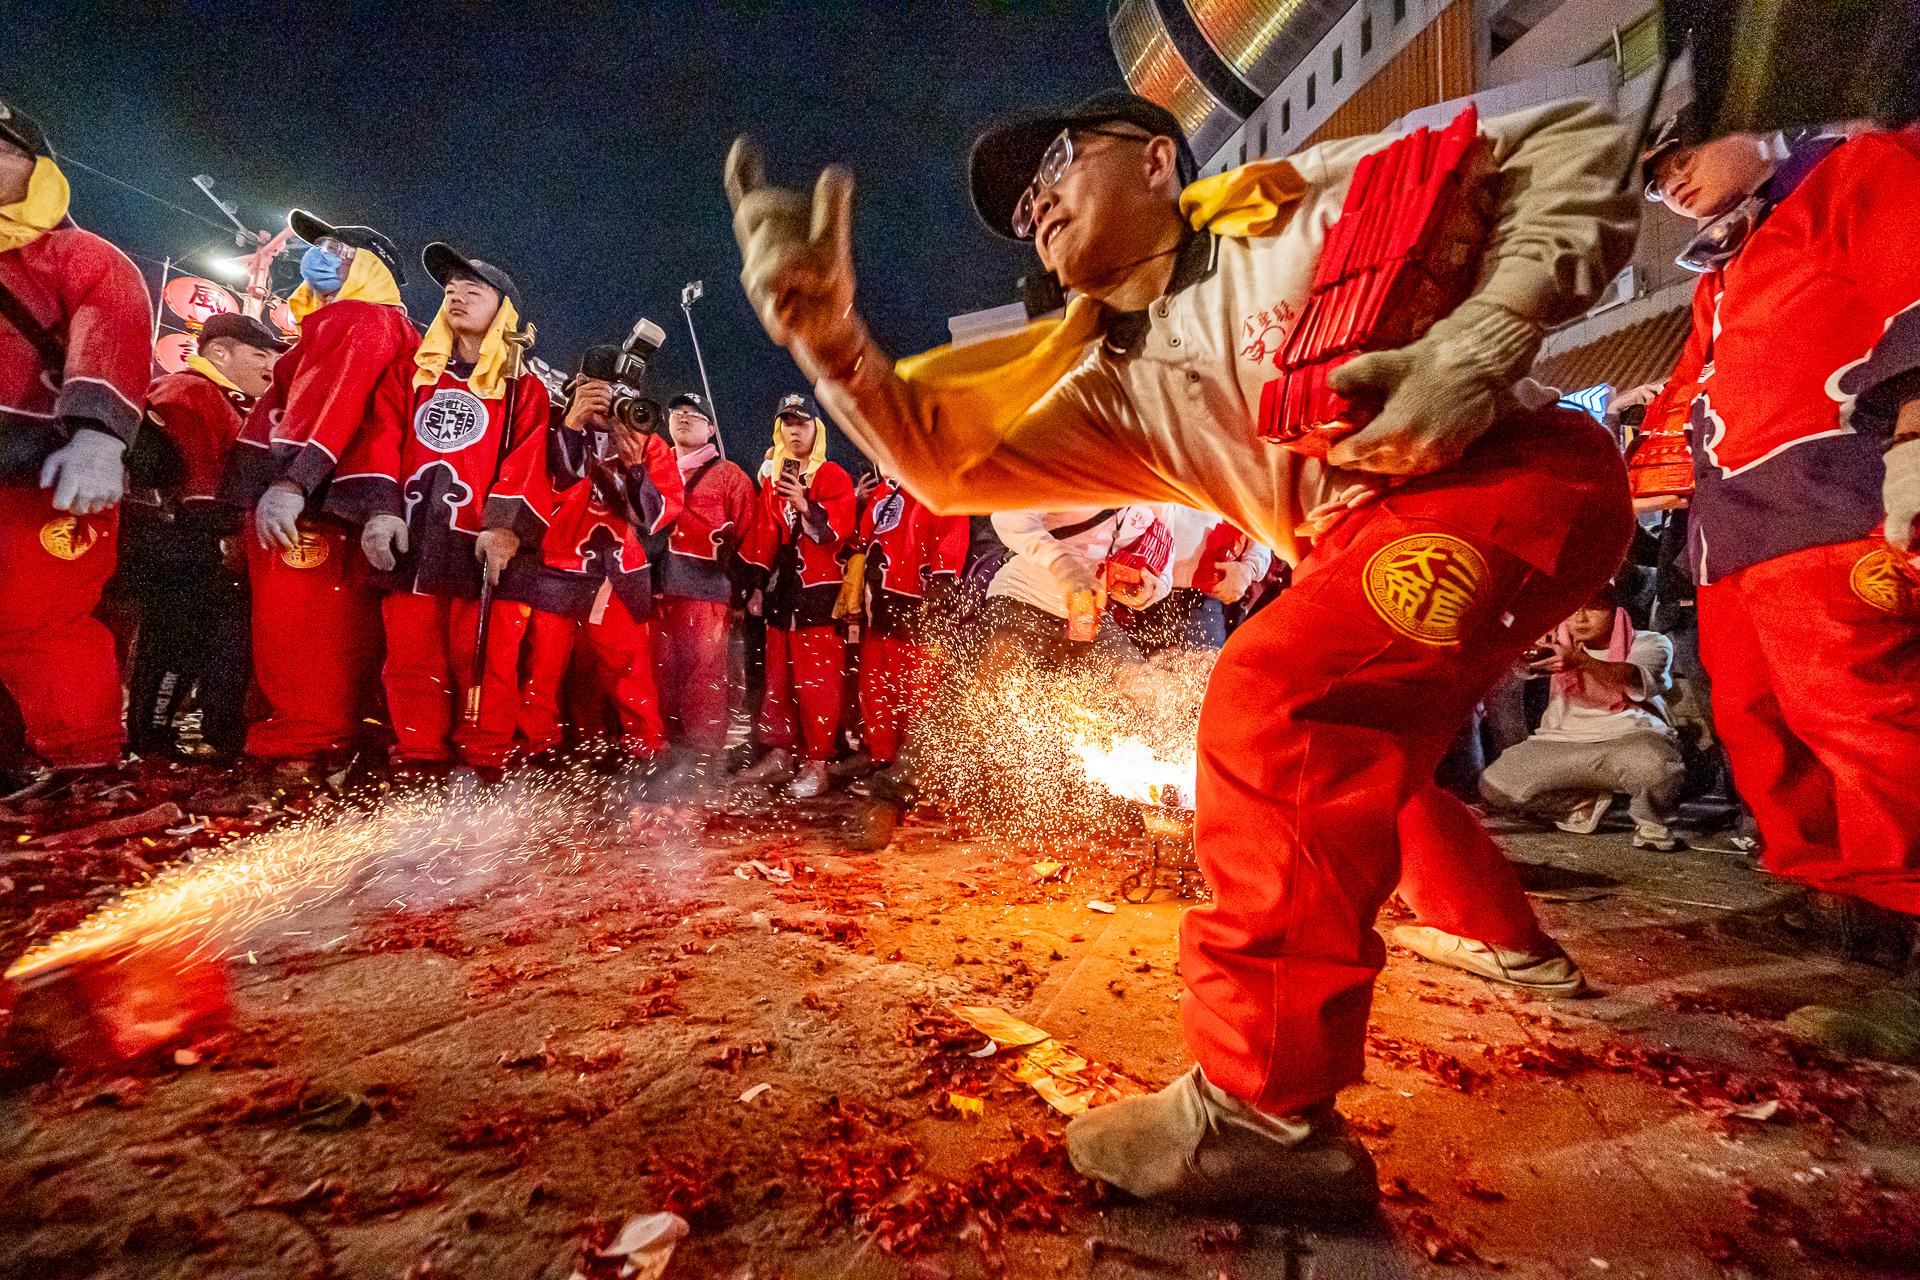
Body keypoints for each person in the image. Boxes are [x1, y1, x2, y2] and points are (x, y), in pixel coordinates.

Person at [727, 88, 1635, 1215]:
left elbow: (1574, 136)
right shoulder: (1113, 382)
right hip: (1363, 537)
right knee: (1363, 751)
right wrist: (832, 343)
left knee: (1278, 700)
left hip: (1509, 473)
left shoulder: (1283, 213)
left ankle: (1267, 1112)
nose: (1037, 201)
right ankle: (1503, 938)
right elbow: (943, 464)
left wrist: (1486, 332)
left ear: (1159, 160)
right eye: (1020, 209)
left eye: (1055, 160)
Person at [1641, 118, 1920, 1057]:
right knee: (1760, 724)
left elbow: (1912, 283)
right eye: (1654, 176)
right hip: (1734, 532)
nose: (1668, 181)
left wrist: (1918, 431)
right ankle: (1850, 909)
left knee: (1872, 720)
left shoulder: (1853, 175)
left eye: (1680, 152)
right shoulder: (1721, 269)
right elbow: (1690, 392)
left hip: (1831, 502)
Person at [222, 209, 418, 767]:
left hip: (312, 504)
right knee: (334, 633)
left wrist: (291, 480)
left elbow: (333, 401)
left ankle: (304, 749)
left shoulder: (357, 319)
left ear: (369, 267)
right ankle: (327, 741)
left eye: (337, 249)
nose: (318, 257)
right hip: (339, 503)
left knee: (298, 633)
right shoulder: (372, 326)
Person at [0, 100, 153, 776]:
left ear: (35, 168)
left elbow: (112, 327)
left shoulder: (83, 256)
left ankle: (83, 766)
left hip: (47, 467)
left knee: (39, 620)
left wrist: (99, 432)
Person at [360, 243, 547, 774]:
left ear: (503, 308)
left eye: (473, 289)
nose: (456, 296)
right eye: (449, 290)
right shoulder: (410, 376)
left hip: (481, 543)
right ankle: (420, 755)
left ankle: (486, 758)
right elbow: (382, 437)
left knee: (485, 657)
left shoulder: (523, 390)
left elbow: (527, 458)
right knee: (411, 655)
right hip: (416, 532)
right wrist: (380, 509)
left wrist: (504, 527)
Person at [480, 363, 683, 763]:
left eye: (621, 393)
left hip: (617, 571)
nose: (611, 404)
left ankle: (646, 750)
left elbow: (658, 517)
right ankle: (540, 748)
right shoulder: (556, 426)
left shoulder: (646, 439)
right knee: (543, 670)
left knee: (630, 669)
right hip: (554, 565)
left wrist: (634, 465)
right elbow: (542, 486)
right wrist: (571, 427)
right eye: (602, 392)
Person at [125, 312, 285, 759]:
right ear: (219, 351)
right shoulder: (190, 392)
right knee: (177, 641)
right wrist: (220, 535)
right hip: (182, 542)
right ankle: (151, 740)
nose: (270, 367)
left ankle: (215, 734)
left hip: (194, 540)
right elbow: (198, 481)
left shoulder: (221, 398)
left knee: (215, 641)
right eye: (259, 354)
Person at [1476, 582, 1684, 847]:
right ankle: (1580, 804)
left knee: (1657, 766)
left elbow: (1630, 676)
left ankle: (1651, 822)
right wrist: (1526, 647)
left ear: (1616, 609)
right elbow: (1519, 659)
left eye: (1594, 608)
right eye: (1574, 609)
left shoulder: (1650, 642)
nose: (1581, 618)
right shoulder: (1555, 641)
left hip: (1627, 740)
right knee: (1494, 784)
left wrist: (1580, 661)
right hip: (1560, 743)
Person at [735, 394, 854, 798]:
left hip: (819, 596)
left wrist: (805, 503)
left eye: (802, 423)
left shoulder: (833, 475)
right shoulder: (772, 483)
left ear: (816, 430)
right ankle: (779, 753)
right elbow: (764, 534)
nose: (794, 430)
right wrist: (754, 584)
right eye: (788, 423)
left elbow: (837, 530)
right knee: (777, 680)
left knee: (816, 682)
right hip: (781, 596)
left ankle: (818, 763)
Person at [651, 391, 755, 779]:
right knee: (660, 670)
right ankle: (661, 749)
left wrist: (743, 589)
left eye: (694, 415)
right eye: (677, 412)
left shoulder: (731, 477)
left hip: (706, 590)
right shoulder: (656, 469)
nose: (683, 418)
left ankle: (703, 755)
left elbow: (750, 534)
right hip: (659, 588)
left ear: (711, 429)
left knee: (704, 673)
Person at [846, 469, 969, 792]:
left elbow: (953, 532)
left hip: (918, 606)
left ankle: (917, 768)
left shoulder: (939, 486)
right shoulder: (882, 491)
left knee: (917, 692)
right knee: (876, 687)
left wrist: (942, 583)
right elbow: (862, 540)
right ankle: (882, 758)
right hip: (879, 607)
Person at [984, 505, 1173, 666]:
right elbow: (1008, 518)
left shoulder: (1162, 489)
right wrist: (1064, 567)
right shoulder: (1075, 465)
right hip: (1023, 598)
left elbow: (1165, 564)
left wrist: (1151, 590)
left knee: (1139, 692)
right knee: (993, 693)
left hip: (1093, 621)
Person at [1131, 507, 1269, 650]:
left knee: (1204, 669)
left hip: (1201, 603)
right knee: (1133, 671)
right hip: (1142, 598)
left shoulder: (1232, 490)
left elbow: (1259, 528)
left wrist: (1247, 569)